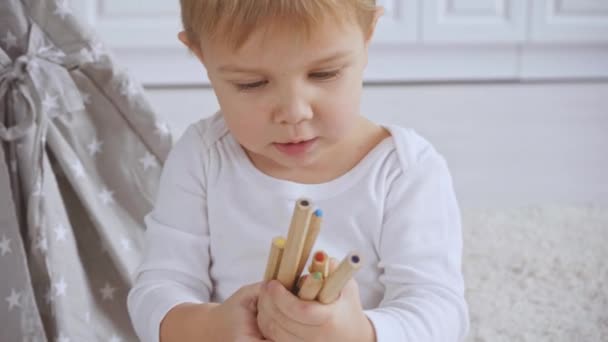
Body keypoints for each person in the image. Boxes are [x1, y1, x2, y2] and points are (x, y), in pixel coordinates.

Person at [127, 1, 470, 341]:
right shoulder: (202, 156)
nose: (293, 112)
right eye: (251, 83)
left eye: (324, 74)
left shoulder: (405, 171)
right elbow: (156, 290)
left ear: (368, 38)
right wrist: (209, 327)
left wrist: (360, 334)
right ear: (201, 55)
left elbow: (442, 313)